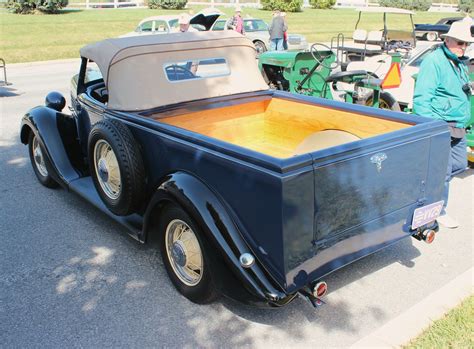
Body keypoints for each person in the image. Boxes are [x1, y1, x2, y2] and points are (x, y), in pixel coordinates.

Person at [413, 17, 473, 228]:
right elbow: (422, 99)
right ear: (448, 40)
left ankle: (428, 195)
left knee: (460, 164)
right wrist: (432, 129)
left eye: (466, 44)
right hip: (441, 124)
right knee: (443, 172)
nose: (463, 47)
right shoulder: (434, 61)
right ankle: (438, 210)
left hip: (458, 124)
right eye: (460, 42)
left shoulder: (458, 62)